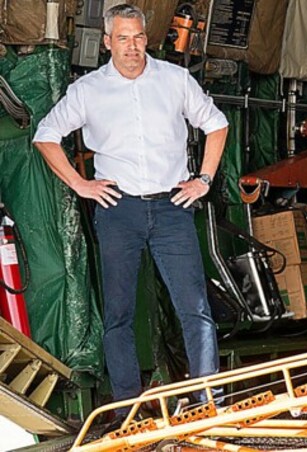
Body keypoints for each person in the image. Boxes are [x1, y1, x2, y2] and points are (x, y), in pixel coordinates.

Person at [32, 4, 228, 415]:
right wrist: (79, 183)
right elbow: (46, 135)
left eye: (138, 37)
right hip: (118, 209)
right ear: (107, 42)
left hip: (172, 206)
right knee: (119, 313)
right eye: (122, 38)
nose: (131, 46)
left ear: (146, 38)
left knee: (194, 307)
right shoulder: (88, 89)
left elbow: (216, 123)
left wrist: (204, 180)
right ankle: (126, 412)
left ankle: (210, 401)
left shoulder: (175, 80)